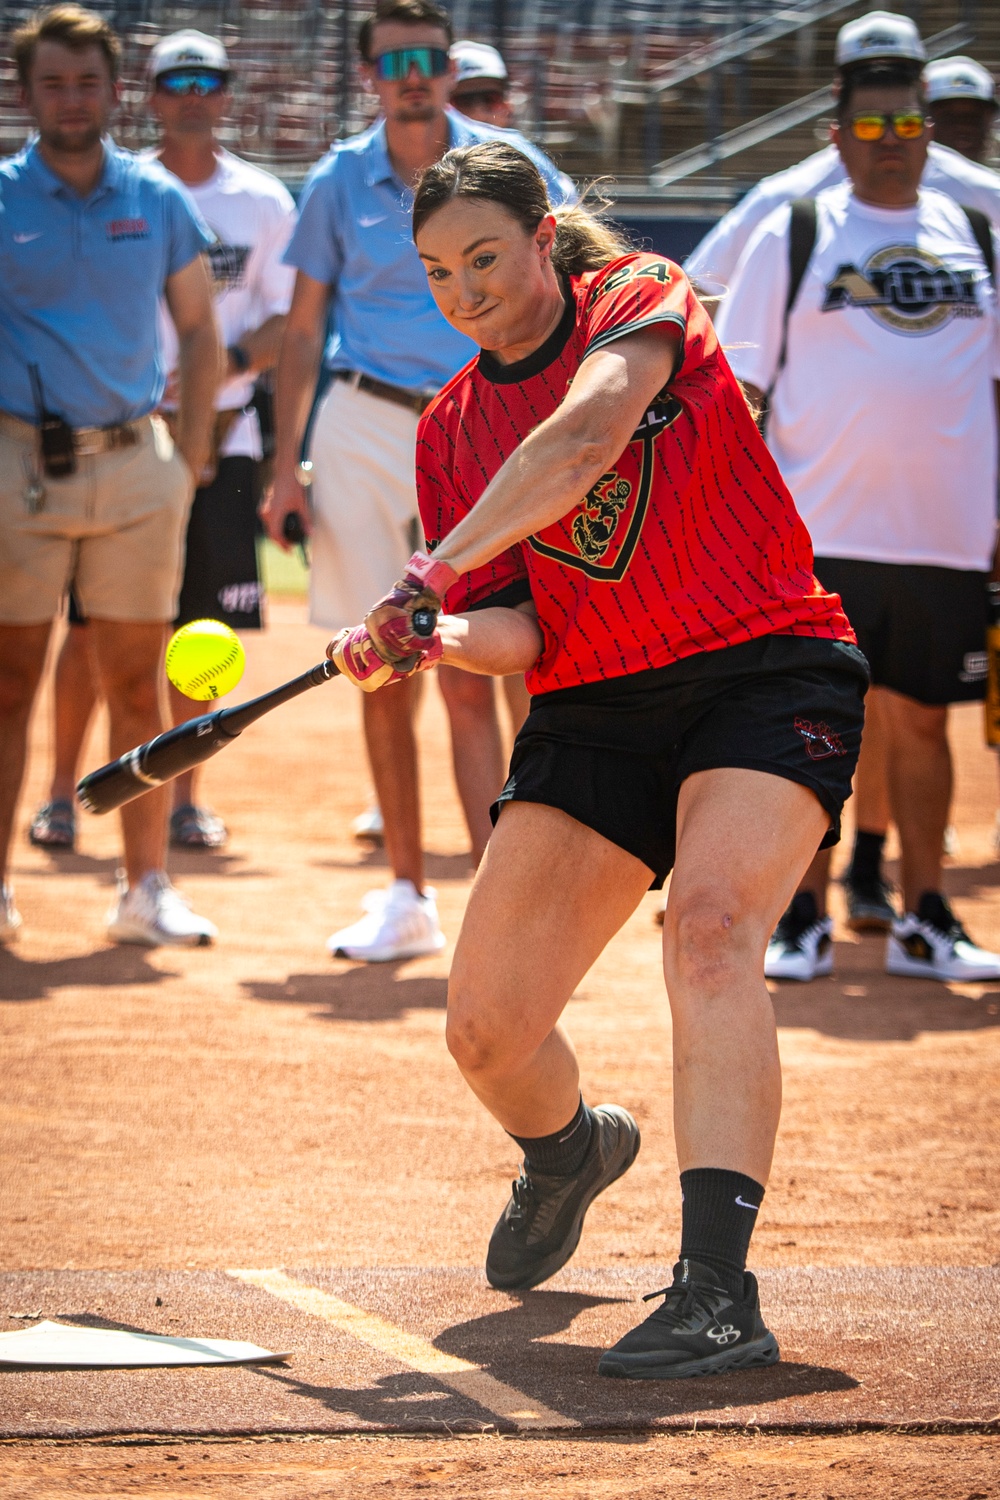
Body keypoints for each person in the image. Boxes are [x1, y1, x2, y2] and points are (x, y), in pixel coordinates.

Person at [329, 140, 865, 1379]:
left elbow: (585, 436)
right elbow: (521, 625)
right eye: (435, 272)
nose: (464, 290)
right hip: (595, 707)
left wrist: (426, 574)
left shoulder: (638, 296)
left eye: (484, 258)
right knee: (485, 1033)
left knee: (713, 928)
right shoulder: (452, 429)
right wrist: (436, 636)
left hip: (762, 662)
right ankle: (569, 1148)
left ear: (538, 238)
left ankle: (716, 1289)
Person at [263, 0, 574, 963]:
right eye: (393, 59)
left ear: (449, 67)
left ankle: (523, 886)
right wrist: (285, 466)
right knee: (382, 660)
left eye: (427, 58)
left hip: (488, 423)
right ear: (369, 75)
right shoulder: (333, 180)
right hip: (362, 425)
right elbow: (305, 329)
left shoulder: (510, 166)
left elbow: (578, 273)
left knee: (511, 660)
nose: (412, 73)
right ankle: (407, 890)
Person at [688, 11, 1000, 930]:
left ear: (928, 129)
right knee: (808, 728)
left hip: (943, 532)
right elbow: (736, 385)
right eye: (870, 126)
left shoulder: (978, 235)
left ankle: (927, 914)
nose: (889, 142)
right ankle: (803, 915)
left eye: (906, 123)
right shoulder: (794, 225)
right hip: (815, 530)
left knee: (924, 722)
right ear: (837, 133)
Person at [28, 27, 297, 854]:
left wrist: (214, 379)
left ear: (226, 95)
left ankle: (183, 800)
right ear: (148, 95)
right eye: (175, 80)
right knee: (87, 628)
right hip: (123, 439)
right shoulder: (125, 189)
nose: (191, 94)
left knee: (199, 637)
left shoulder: (262, 202)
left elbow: (289, 320)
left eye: (206, 80)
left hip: (227, 437)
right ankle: (63, 796)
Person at [0, 3, 220, 946]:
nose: (72, 98)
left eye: (88, 81)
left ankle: (145, 888)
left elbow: (204, 330)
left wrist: (198, 451)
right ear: (25, 91)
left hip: (137, 464)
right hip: (18, 464)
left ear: (114, 90)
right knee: (9, 683)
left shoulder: (159, 200)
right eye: (53, 81)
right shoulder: (1, 196)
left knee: (141, 684)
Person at [687, 12, 1000, 284]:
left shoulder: (983, 191)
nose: (882, 85)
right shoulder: (784, 198)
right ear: (838, 90)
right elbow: (699, 286)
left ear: (924, 88)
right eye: (864, 77)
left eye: (898, 74)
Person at [923, 56, 997, 165]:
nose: (963, 128)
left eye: (973, 118)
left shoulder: (993, 181)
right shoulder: (898, 181)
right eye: (948, 118)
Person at [450, 40, 513, 129]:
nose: (479, 114)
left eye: (490, 99)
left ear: (507, 106)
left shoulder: (521, 143)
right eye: (464, 101)